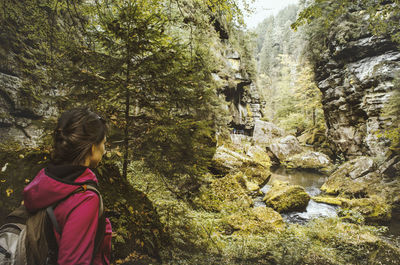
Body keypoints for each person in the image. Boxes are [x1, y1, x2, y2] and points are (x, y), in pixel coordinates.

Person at [23, 108, 112, 265]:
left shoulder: (45, 179)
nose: (104, 150)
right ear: (92, 148)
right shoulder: (85, 197)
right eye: (103, 143)